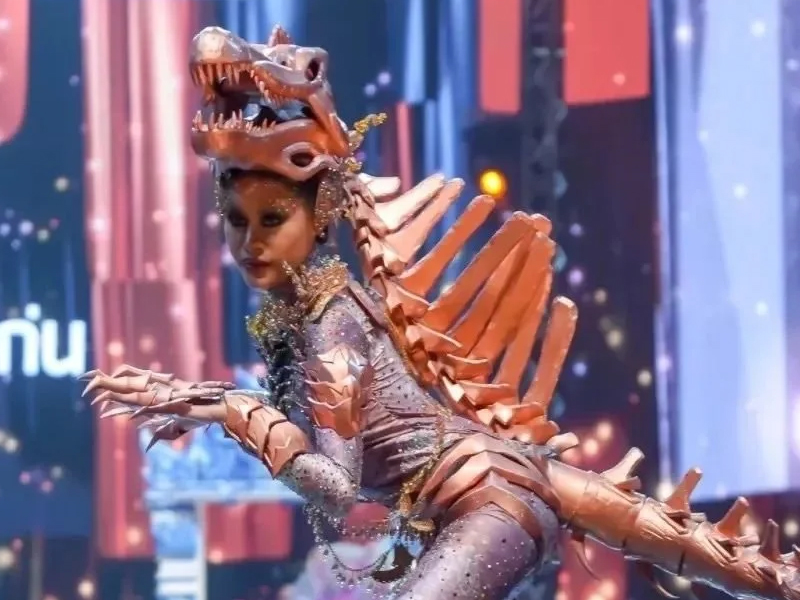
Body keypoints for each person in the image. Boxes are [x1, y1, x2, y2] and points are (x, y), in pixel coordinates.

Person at [81, 25, 799, 600]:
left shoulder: (332, 321)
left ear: (321, 212)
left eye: (272, 219)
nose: (251, 243)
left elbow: (335, 491)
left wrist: (229, 408)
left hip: (490, 500)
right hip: (468, 502)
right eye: (237, 222)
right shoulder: (302, 317)